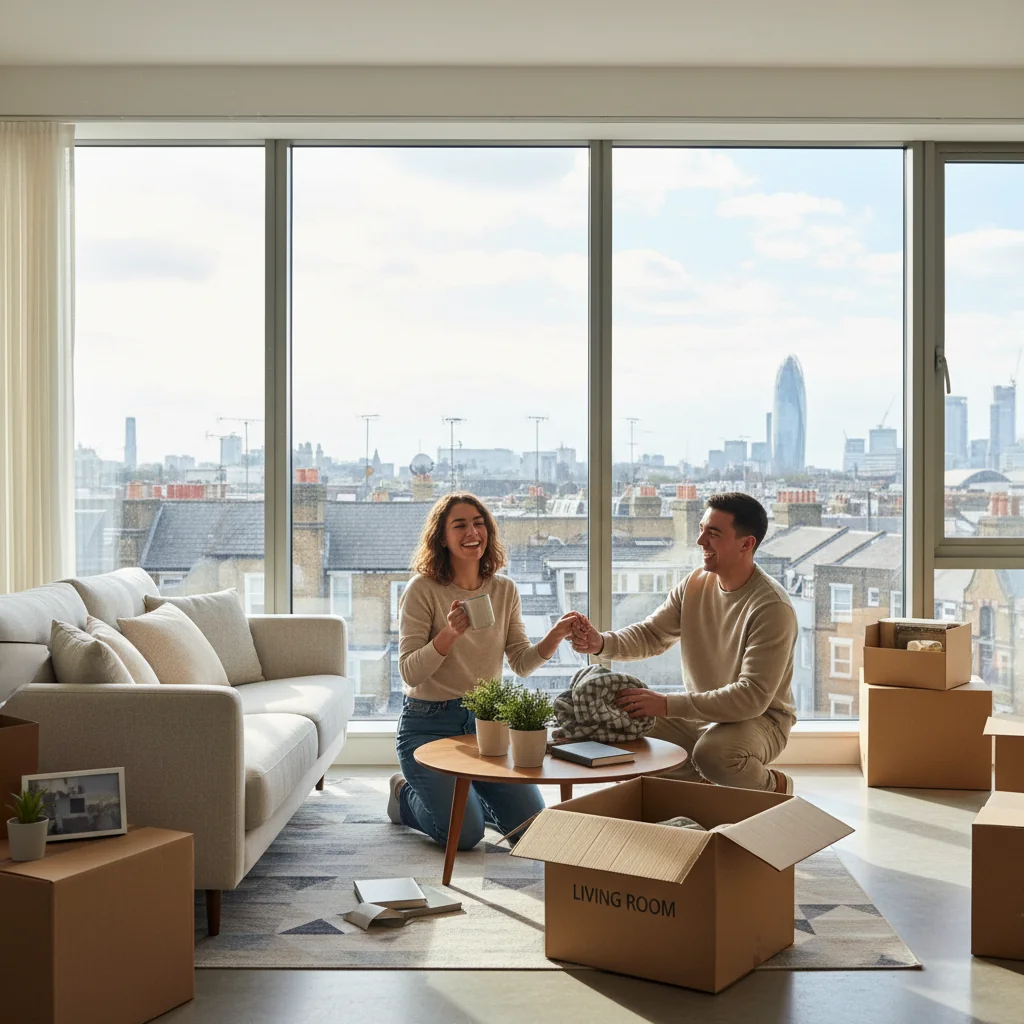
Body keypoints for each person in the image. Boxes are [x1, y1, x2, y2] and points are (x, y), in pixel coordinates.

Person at [570, 492, 797, 794]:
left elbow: (750, 698)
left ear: (746, 544)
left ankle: (775, 787)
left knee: (713, 754)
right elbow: (652, 634)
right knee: (613, 726)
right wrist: (600, 642)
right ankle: (695, 794)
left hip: (761, 720)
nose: (700, 541)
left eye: (713, 534)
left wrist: (665, 704)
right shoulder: (694, 584)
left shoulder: (772, 607)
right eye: (702, 529)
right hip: (702, 712)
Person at [391, 492, 577, 849]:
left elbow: (521, 662)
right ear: (442, 537)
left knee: (532, 830)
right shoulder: (422, 589)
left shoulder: (504, 589)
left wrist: (554, 636)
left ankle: (468, 796)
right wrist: (449, 634)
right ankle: (403, 795)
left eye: (478, 523)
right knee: (465, 835)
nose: (471, 531)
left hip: (485, 727)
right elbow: (410, 673)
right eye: (459, 525)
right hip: (428, 725)